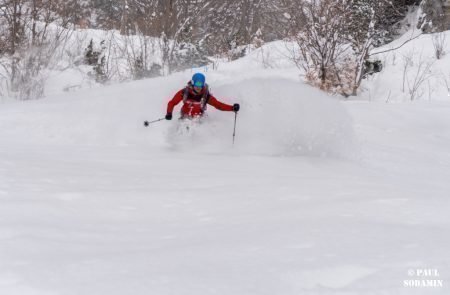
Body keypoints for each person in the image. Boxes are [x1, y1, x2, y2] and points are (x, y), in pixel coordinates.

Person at [165, 73, 240, 120]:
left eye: (201, 84)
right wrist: (169, 113)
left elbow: (218, 105)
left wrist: (232, 108)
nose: (199, 87)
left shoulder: (205, 95)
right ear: (193, 83)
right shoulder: (185, 92)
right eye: (197, 84)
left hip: (199, 119)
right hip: (184, 117)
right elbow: (172, 103)